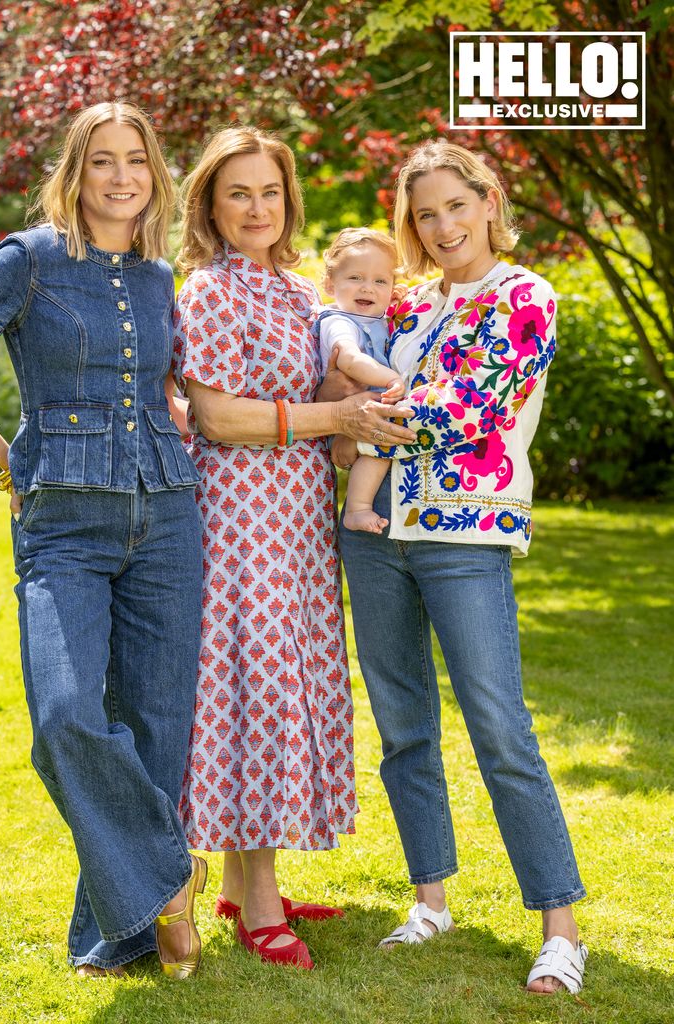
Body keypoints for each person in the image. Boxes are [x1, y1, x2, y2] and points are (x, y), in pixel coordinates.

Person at [0, 101, 208, 979]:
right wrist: (11, 460)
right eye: (102, 161)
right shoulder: (27, 259)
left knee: (156, 724)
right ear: (73, 174)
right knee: (65, 714)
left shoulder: (158, 278)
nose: (122, 178)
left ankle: (119, 934)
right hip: (63, 520)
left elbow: (158, 389)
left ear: (154, 176)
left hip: (165, 512)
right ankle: (170, 873)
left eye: (138, 162)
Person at [333, 140, 588, 995]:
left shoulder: (525, 296)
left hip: (464, 536)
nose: (441, 227)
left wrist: (361, 416)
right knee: (403, 727)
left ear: (486, 200)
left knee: (498, 727)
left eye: (453, 206)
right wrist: (356, 417)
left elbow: (471, 411)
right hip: (373, 537)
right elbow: (358, 389)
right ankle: (430, 900)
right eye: (424, 214)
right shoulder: (407, 309)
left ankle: (560, 928)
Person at [172, 126, 417, 969]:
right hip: (238, 516)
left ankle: (245, 886)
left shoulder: (294, 289)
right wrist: (336, 418)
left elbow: (309, 387)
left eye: (269, 191)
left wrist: (361, 395)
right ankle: (259, 904)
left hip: (301, 516)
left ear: (289, 200)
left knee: (285, 678)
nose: (256, 207)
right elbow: (219, 417)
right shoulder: (207, 290)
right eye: (237, 192)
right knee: (255, 685)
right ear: (209, 202)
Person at [315, 228, 406, 534]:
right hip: (351, 411)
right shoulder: (337, 321)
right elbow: (350, 359)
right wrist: (392, 377)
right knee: (380, 445)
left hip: (371, 406)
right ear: (330, 284)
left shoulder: (375, 319)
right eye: (355, 278)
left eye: (380, 281)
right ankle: (357, 508)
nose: (368, 288)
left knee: (382, 443)